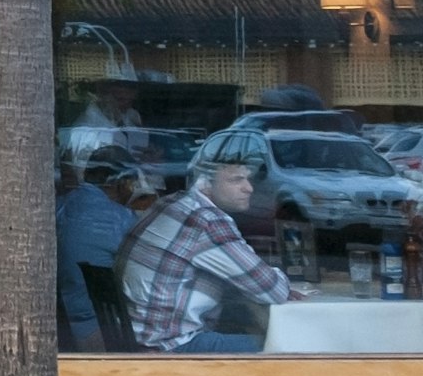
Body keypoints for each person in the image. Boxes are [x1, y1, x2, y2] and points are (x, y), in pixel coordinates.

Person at [118, 148, 297, 353]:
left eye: (248, 179)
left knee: (248, 324)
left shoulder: (171, 203)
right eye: (236, 180)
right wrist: (279, 281)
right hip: (170, 346)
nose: (248, 188)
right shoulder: (207, 221)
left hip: (139, 336)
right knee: (293, 346)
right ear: (205, 183)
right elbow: (273, 291)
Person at [53, 155, 135, 353]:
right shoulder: (120, 217)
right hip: (100, 327)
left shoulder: (60, 205)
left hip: (62, 320)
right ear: (123, 183)